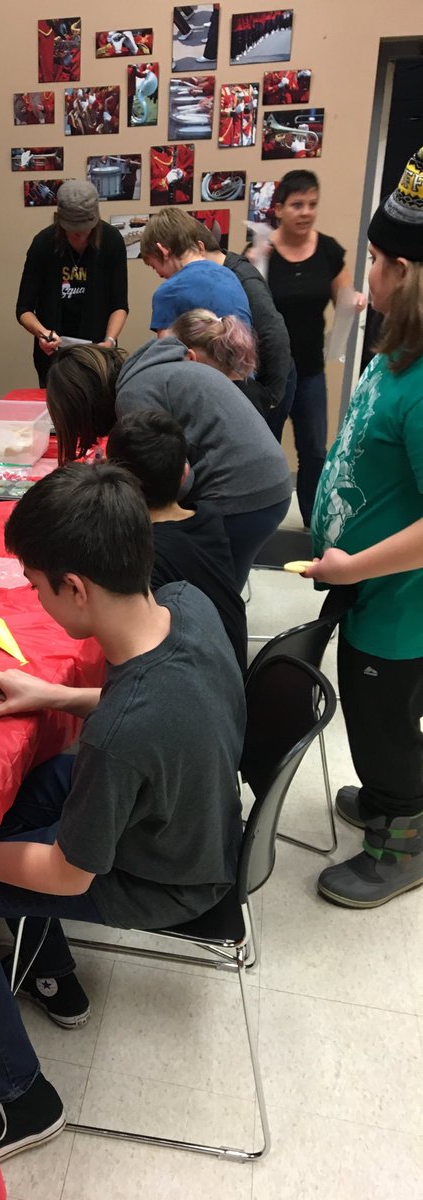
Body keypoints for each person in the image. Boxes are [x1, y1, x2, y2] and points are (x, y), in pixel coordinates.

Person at [0, 463, 244, 1160]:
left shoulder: (123, 736)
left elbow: (70, 873)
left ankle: (22, 1097)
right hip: (191, 815)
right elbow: (150, 710)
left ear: (74, 587)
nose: (38, 601)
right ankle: (53, 973)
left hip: (168, 876)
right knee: (28, 791)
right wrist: (53, 695)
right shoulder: (186, 604)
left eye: (38, 588)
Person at [304, 145, 423, 909]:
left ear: (405, 275)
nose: (366, 272)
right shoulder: (395, 351)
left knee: (381, 718)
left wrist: (351, 568)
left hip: (397, 605)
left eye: (376, 258)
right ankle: (386, 797)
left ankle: (404, 835)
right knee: (371, 712)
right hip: (369, 593)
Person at [46, 342, 292, 588]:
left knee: (206, 596)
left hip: (244, 493)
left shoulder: (133, 396)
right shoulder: (152, 372)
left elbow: (172, 483)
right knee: (219, 590)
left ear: (86, 403)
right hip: (268, 481)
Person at [255, 170, 365, 524]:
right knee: (263, 451)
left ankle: (313, 524)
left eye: (312, 204)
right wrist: (256, 260)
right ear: (280, 208)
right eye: (297, 204)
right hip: (268, 373)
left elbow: (344, 299)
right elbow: (246, 310)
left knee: (315, 452)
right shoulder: (262, 251)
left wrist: (354, 303)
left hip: (310, 371)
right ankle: (261, 522)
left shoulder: (329, 251)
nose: (305, 212)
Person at [106, 409, 247, 671]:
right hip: (232, 671)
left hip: (200, 686)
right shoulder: (209, 518)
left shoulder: (141, 554)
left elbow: (139, 675)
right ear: (184, 474)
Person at [15, 179, 129, 386]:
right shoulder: (43, 244)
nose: (78, 234)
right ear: (59, 219)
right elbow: (23, 309)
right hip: (54, 355)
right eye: (72, 228)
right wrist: (44, 334)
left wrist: (109, 342)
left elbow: (119, 305)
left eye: (84, 228)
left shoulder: (111, 241)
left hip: (98, 354)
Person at [196, 220, 293, 423]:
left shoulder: (241, 277)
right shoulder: (219, 274)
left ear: (199, 248)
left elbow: (274, 332)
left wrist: (270, 397)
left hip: (268, 383)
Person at [139, 208, 252, 334]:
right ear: (200, 246)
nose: (159, 275)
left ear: (163, 251)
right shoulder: (230, 275)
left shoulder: (168, 292)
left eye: (154, 266)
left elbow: (167, 352)